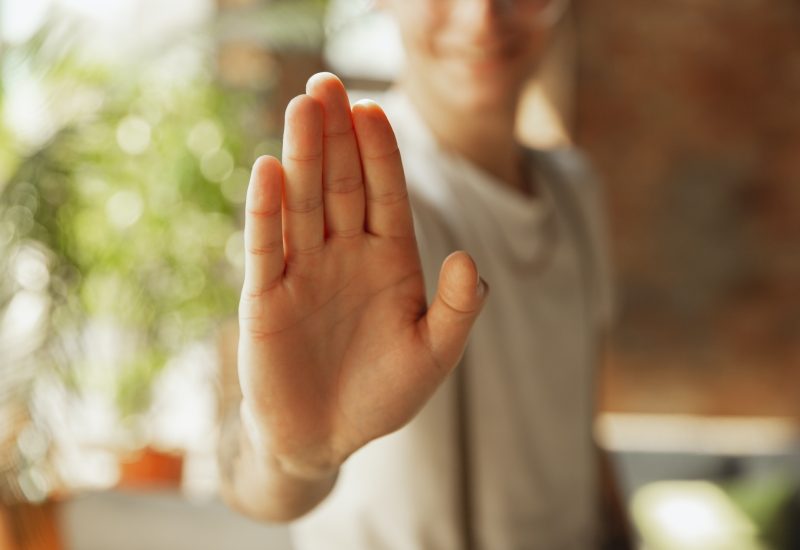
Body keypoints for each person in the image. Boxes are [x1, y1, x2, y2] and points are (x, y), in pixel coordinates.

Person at [218, 0, 631, 548]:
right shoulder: (343, 198)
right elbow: (245, 474)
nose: (481, 17)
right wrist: (294, 461)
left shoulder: (577, 193)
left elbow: (582, 428)